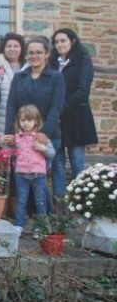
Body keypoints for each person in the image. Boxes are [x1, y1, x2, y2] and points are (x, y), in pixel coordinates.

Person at [2, 37, 65, 210]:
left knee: (40, 180)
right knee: (22, 177)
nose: (34, 56)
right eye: (31, 52)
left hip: (46, 138)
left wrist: (45, 132)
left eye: (39, 52)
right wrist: (11, 134)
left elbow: (56, 106)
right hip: (21, 137)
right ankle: (25, 216)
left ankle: (46, 218)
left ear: (47, 54)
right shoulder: (19, 77)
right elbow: (11, 105)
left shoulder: (56, 77)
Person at [49, 28, 98, 199]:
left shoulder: (83, 59)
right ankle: (60, 203)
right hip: (57, 120)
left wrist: (60, 108)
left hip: (76, 116)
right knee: (58, 162)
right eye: (56, 42)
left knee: (77, 161)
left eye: (63, 40)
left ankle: (80, 201)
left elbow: (82, 91)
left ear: (72, 41)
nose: (59, 44)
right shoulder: (52, 63)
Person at [3, 105, 55, 231]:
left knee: (40, 201)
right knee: (21, 201)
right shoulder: (17, 138)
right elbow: (9, 151)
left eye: (29, 120)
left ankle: (43, 228)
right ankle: (18, 226)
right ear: (18, 122)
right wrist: (4, 141)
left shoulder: (41, 137)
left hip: (38, 174)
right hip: (21, 173)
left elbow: (52, 153)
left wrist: (43, 148)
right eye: (23, 120)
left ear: (36, 121)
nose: (26, 123)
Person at [0, 33, 25, 136]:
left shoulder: (28, 68)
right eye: (9, 46)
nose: (12, 49)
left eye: (16, 46)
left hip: (24, 119)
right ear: (4, 48)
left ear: (21, 48)